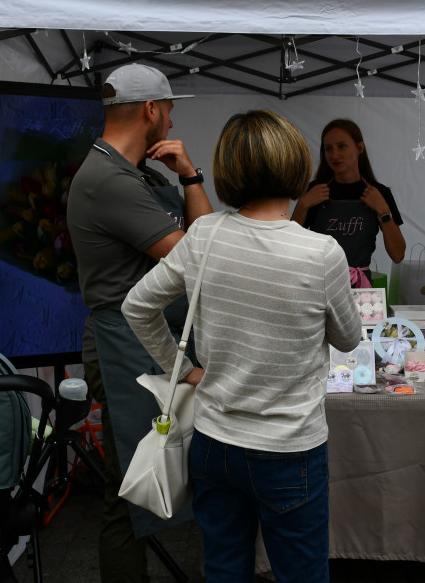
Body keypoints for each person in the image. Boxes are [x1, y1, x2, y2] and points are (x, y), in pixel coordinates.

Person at [122, 110, 363, 583]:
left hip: (215, 444)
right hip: (290, 449)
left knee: (225, 570)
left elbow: (137, 307)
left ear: (229, 169)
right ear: (295, 163)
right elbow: (349, 338)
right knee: (301, 574)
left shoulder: (205, 235)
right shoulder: (321, 253)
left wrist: (184, 367)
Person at [66, 63, 212, 583]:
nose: (171, 119)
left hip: (151, 340)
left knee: (150, 478)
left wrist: (190, 176)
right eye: (169, 108)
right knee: (129, 491)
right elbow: (199, 258)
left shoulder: (134, 173)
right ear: (151, 109)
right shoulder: (109, 181)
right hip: (125, 345)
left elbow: (200, 240)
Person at [291, 118, 406, 287]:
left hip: (360, 290)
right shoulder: (314, 191)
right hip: (320, 286)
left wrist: (383, 211)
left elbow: (398, 255)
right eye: (328, 148)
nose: (334, 155)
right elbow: (288, 246)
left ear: (360, 148)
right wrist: (302, 205)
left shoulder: (379, 193)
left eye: (341, 146)